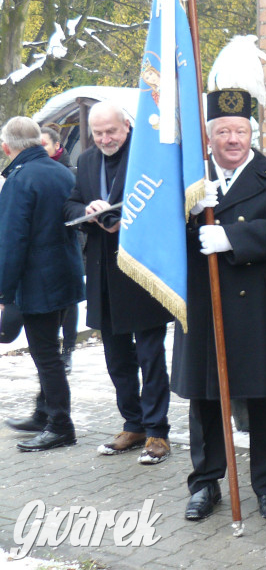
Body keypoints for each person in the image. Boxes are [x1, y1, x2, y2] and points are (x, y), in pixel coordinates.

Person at [173, 84, 266, 522]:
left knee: (262, 399)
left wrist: (232, 237)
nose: (232, 139)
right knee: (205, 400)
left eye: (240, 131)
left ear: (252, 134)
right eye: (223, 131)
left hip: (255, 305)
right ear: (209, 137)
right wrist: (189, 216)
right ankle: (205, 484)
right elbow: (162, 239)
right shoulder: (189, 179)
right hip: (203, 304)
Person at [64, 101, 173, 465]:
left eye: (111, 131)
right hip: (102, 273)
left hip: (140, 271)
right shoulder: (87, 160)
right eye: (98, 133)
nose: (105, 138)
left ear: (126, 125)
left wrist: (124, 219)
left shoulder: (146, 156)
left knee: (149, 356)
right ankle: (133, 423)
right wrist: (87, 213)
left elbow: (162, 205)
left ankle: (158, 431)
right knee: (115, 358)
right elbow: (71, 204)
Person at [0, 116, 84, 451]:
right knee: (48, 352)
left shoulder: (20, 180)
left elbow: (11, 241)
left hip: (38, 280)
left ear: (7, 147)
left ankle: (60, 425)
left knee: (46, 355)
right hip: (65, 272)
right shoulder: (61, 171)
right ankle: (43, 411)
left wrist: (4, 292)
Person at [39, 123, 76, 373]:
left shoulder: (68, 172)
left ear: (57, 146)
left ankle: (68, 349)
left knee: (68, 301)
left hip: (66, 241)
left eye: (44, 145)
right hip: (42, 244)